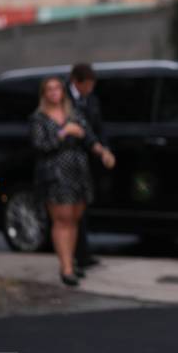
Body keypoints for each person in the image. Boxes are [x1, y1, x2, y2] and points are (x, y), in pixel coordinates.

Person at [30, 76, 116, 286]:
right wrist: (63, 133)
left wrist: (103, 152)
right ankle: (66, 268)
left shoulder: (74, 113)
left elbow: (89, 137)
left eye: (57, 88)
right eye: (49, 89)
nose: (54, 92)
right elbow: (40, 145)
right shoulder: (39, 118)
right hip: (55, 175)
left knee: (74, 219)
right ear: (44, 94)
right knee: (61, 220)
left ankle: (71, 262)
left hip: (78, 172)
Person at [66, 63, 106, 269]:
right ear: (76, 82)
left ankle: (82, 253)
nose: (90, 89)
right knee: (70, 210)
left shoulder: (90, 100)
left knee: (83, 207)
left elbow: (94, 128)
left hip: (87, 162)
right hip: (68, 164)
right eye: (87, 85)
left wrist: (102, 148)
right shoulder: (64, 100)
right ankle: (74, 256)